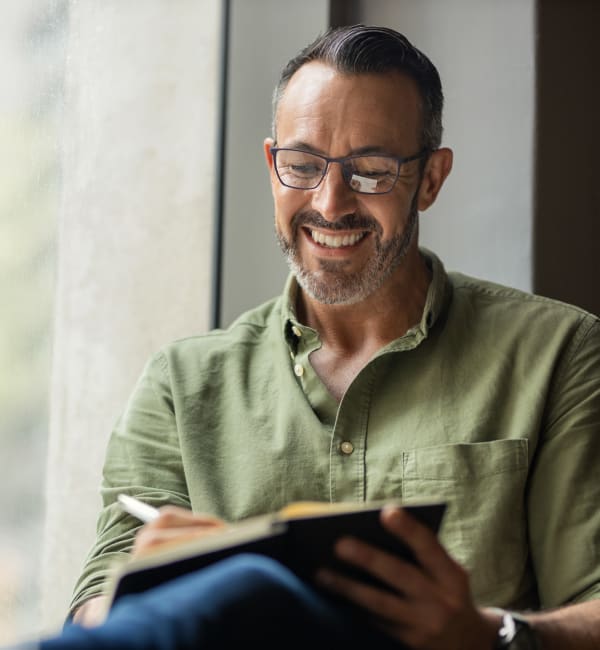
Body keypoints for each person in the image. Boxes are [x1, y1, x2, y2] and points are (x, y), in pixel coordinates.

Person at [66, 24, 599, 649]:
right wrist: (151, 588)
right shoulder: (180, 386)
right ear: (272, 168)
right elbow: (91, 612)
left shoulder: (559, 352)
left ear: (430, 178)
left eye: (371, 171)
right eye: (302, 166)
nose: (330, 201)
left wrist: (488, 634)